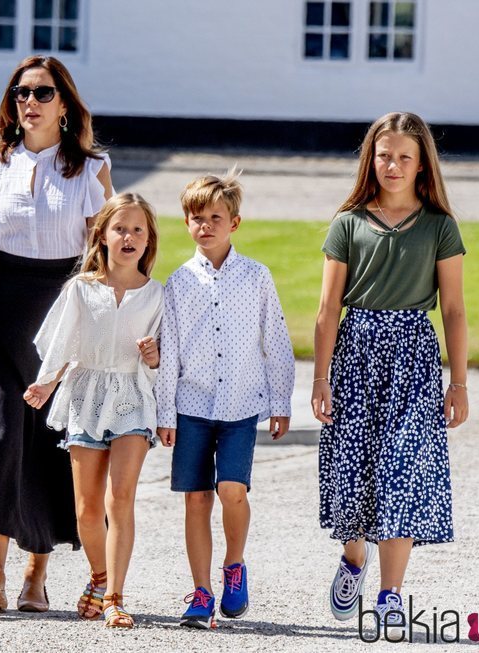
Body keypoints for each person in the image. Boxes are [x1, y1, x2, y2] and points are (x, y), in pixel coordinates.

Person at [0, 55, 113, 613]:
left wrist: (100, 331)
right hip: (5, 307)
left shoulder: (91, 169)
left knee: (45, 447)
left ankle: (36, 577)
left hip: (65, 309)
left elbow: (101, 256)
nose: (29, 103)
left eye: (41, 93)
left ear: (64, 104)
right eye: (20, 93)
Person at [312, 112, 468, 638]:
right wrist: (320, 378)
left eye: (405, 156)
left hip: (414, 359)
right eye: (384, 156)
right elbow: (328, 307)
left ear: (422, 162)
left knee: (402, 471)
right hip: (356, 354)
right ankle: (354, 557)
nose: (393, 165)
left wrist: (459, 382)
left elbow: (454, 310)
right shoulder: (348, 223)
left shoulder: (440, 226)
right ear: (370, 159)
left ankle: (390, 593)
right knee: (355, 471)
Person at [156, 170, 295, 629]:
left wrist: (280, 402)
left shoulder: (257, 277)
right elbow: (170, 350)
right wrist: (164, 412)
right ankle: (201, 591)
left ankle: (234, 566)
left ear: (234, 223)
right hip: (191, 406)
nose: (206, 226)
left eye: (216, 217)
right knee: (196, 500)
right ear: (186, 223)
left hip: (239, 406)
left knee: (231, 490)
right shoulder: (177, 283)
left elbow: (274, 341)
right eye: (197, 218)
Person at [24, 192, 163, 628]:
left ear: (148, 240)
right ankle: (99, 577)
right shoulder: (81, 290)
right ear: (101, 234)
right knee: (87, 508)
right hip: (86, 396)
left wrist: (154, 356)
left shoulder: (157, 294)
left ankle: (116, 597)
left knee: (120, 497)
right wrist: (47, 383)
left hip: (133, 397)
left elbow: (168, 360)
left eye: (138, 229)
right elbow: (62, 342)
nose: (129, 237)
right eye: (120, 228)